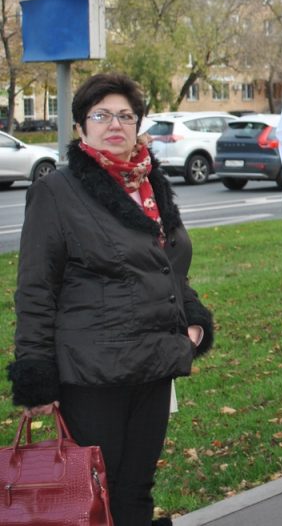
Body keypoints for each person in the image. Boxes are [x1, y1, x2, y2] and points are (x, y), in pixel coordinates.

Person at [7, 73, 214, 526]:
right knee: (96, 490)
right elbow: (36, 288)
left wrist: (194, 319)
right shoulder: (58, 191)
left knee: (137, 488)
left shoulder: (150, 184)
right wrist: (36, 373)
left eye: (125, 115)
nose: (114, 124)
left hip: (154, 365)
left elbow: (168, 266)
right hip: (94, 372)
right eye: (100, 115)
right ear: (82, 127)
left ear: (138, 125)